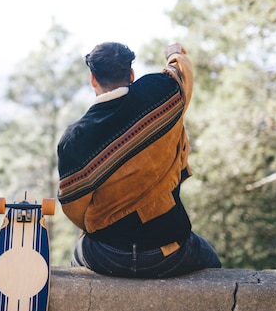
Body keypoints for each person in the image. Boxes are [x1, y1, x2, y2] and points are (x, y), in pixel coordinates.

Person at [57, 42, 221, 278]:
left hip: (106, 255)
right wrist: (173, 53)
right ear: (131, 74)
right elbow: (182, 71)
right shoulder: (162, 91)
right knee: (211, 263)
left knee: (79, 254)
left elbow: (75, 210)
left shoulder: (74, 139)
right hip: (169, 253)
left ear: (93, 79)